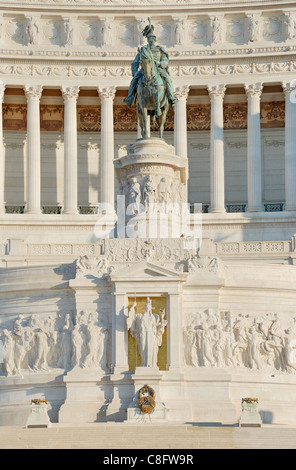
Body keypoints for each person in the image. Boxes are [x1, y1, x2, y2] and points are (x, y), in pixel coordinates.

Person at [124, 19, 177, 108]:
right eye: (150, 38)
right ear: (148, 40)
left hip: (158, 69)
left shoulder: (159, 50)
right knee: (134, 80)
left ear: (155, 39)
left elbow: (165, 61)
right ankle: (130, 97)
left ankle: (171, 97)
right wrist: (135, 72)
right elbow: (135, 63)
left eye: (153, 38)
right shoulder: (143, 50)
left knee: (167, 78)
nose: (151, 40)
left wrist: (160, 63)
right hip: (144, 70)